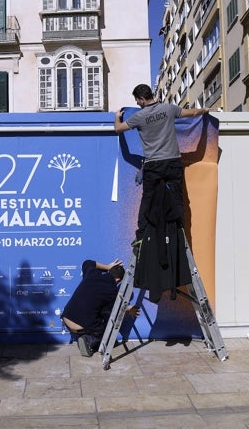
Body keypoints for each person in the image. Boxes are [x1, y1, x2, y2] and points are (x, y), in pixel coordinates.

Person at [114, 83, 208, 248]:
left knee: (148, 200)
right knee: (178, 198)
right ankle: (181, 232)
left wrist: (117, 116)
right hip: (172, 161)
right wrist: (205, 111)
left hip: (153, 164)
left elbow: (118, 129)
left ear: (142, 99)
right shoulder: (168, 109)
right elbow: (192, 113)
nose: (137, 104)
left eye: (137, 101)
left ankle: (141, 235)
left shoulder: (139, 117)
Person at [61, 259, 140, 357]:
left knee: (97, 311)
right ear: (118, 280)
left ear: (109, 271)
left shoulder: (91, 274)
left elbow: (87, 263)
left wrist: (107, 266)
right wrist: (128, 309)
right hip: (81, 327)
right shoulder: (112, 291)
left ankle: (88, 338)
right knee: (107, 324)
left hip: (66, 317)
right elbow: (116, 310)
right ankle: (88, 340)